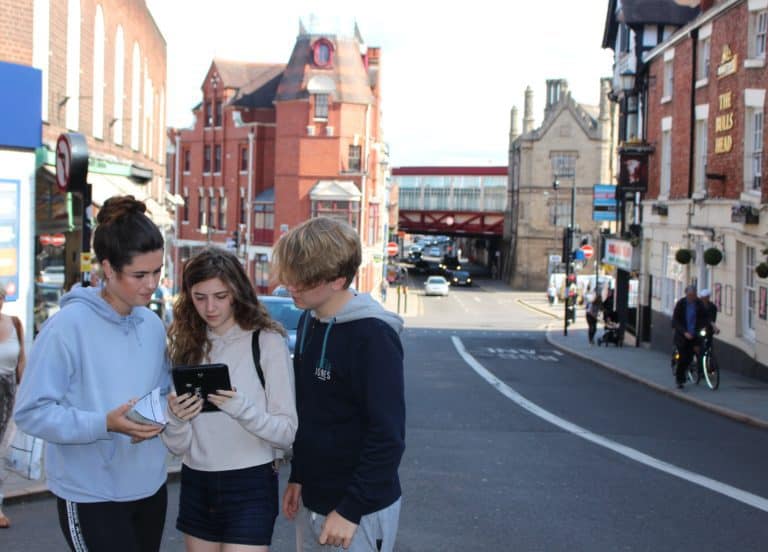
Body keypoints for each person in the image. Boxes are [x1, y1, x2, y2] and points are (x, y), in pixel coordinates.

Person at [14, 196, 170, 551]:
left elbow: (160, 391)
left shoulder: (151, 323)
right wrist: (104, 423)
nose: (152, 284)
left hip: (150, 487)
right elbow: (30, 412)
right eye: (140, 275)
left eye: (158, 271)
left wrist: (167, 410)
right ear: (108, 270)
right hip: (90, 494)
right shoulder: (65, 327)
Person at [272, 217, 405, 552]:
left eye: (303, 280)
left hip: (358, 511)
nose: (292, 285)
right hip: (313, 497)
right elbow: (310, 410)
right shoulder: (309, 320)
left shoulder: (373, 337)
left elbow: (387, 436)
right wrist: (298, 474)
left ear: (338, 280)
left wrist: (350, 510)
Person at [163, 247, 297, 551]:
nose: (210, 307)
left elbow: (288, 433)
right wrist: (176, 418)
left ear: (236, 292)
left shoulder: (267, 341)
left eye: (220, 296)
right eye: (200, 297)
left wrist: (242, 410)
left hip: (250, 482)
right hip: (197, 480)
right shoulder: (185, 345)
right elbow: (176, 446)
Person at [0, 287, 25, 528]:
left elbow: (21, 362)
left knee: (1, 449)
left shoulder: (15, 324)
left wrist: (26, 395)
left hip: (7, 394)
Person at [671, 285, 709, 389]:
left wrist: (702, 328)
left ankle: (685, 373)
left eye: (693, 295)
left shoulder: (699, 304)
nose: (691, 297)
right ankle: (680, 379)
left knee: (690, 357)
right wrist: (684, 332)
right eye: (690, 295)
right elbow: (675, 320)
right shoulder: (681, 304)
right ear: (686, 294)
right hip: (682, 336)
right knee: (683, 357)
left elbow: (705, 317)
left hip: (694, 335)